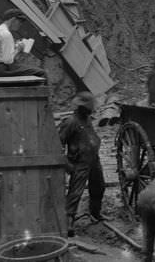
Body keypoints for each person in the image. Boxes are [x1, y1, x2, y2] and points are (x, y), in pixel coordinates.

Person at [58, 92, 108, 236]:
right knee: (75, 192)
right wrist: (67, 165)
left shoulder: (87, 119)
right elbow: (58, 144)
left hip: (94, 160)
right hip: (79, 163)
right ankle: (68, 222)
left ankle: (95, 213)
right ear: (81, 108)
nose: (91, 110)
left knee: (99, 187)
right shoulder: (71, 122)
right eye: (89, 107)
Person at [0, 9, 46, 78]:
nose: (20, 25)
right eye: (20, 21)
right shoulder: (6, 34)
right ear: (13, 19)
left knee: (28, 68)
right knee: (42, 73)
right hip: (3, 69)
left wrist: (14, 47)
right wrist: (18, 50)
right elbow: (8, 60)